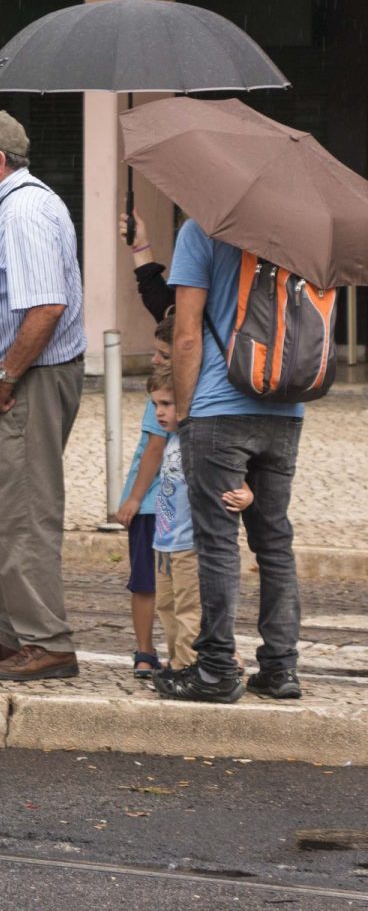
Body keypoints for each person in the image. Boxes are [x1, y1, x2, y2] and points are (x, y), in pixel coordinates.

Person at [0, 110, 86, 683]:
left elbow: (46, 306)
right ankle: (14, 634)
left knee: (25, 511)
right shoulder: (14, 207)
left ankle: (48, 642)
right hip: (18, 378)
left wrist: (4, 375)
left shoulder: (24, 210)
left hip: (30, 380)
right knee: (8, 510)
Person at [159, 216, 306, 704]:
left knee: (218, 542)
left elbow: (185, 334)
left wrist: (183, 410)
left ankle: (217, 669)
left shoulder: (203, 231)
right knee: (274, 541)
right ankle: (281, 669)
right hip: (287, 406)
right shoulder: (300, 231)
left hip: (220, 408)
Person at [115, 315, 176, 678]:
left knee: (146, 583)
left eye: (162, 354)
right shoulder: (166, 390)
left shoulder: (165, 395)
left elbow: (154, 447)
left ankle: (145, 651)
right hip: (167, 506)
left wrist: (134, 499)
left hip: (153, 504)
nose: (155, 360)